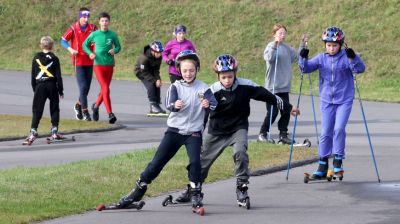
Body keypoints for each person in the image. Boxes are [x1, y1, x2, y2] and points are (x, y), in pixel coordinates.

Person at [174, 54, 299, 206]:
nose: (227, 80)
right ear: (218, 75)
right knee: (202, 163)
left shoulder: (245, 86)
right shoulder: (211, 91)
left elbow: (268, 96)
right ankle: (193, 189)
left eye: (230, 76)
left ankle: (242, 187)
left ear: (235, 74)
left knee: (240, 153)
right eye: (223, 77)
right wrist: (198, 137)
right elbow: (202, 115)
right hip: (216, 131)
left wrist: (289, 107)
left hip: (238, 128)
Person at [115, 50, 217, 211]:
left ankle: (196, 192)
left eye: (191, 70)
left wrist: (208, 104)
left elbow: (213, 102)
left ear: (197, 69)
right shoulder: (175, 87)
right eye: (185, 70)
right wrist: (174, 106)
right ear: (179, 71)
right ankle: (138, 189)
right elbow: (169, 103)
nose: (188, 73)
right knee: (157, 162)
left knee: (196, 162)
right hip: (175, 131)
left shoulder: (203, 88)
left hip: (193, 133)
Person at [298, 26, 365, 179]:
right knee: (326, 132)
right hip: (327, 100)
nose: (331, 48)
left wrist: (353, 57)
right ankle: (322, 164)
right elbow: (305, 69)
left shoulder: (345, 57)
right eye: (328, 45)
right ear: (325, 45)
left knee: (339, 129)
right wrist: (302, 55)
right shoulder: (321, 58)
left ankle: (338, 161)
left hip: (344, 99)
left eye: (334, 45)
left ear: (340, 45)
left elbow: (360, 68)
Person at [258, 24, 299, 144]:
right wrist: (275, 46)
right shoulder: (270, 46)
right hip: (272, 87)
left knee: (286, 111)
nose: (282, 35)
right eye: (280, 33)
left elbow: (296, 57)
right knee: (273, 112)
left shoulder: (287, 48)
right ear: (274, 34)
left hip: (284, 87)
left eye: (284, 33)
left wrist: (303, 45)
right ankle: (262, 134)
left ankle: (283, 135)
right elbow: (269, 58)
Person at [24, 36, 64, 145]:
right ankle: (54, 130)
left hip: (40, 86)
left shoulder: (36, 58)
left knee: (37, 109)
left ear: (41, 46)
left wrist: (35, 89)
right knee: (54, 108)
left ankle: (33, 131)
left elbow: (33, 76)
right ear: (52, 46)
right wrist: (60, 90)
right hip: (52, 85)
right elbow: (59, 77)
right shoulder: (55, 59)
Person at [83, 12, 121, 124]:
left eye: (106, 21)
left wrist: (114, 50)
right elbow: (85, 45)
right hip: (98, 65)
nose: (104, 23)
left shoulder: (112, 35)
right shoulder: (94, 34)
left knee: (104, 89)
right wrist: (90, 53)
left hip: (109, 65)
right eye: (102, 21)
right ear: (99, 22)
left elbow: (119, 46)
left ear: (109, 22)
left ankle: (95, 106)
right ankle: (110, 114)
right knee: (105, 88)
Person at [61, 7, 97, 121]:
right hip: (79, 61)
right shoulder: (73, 28)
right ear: (80, 16)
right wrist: (70, 50)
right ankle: (85, 112)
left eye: (88, 17)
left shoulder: (93, 28)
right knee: (83, 87)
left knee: (86, 89)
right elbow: (63, 40)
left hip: (90, 60)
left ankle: (78, 105)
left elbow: (99, 39)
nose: (86, 19)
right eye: (84, 17)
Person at [134, 40, 167, 114]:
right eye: (158, 52)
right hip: (141, 72)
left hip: (151, 70)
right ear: (153, 51)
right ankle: (153, 105)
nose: (160, 54)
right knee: (151, 85)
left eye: (161, 52)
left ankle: (157, 105)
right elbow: (144, 72)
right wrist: (154, 80)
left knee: (158, 84)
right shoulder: (144, 58)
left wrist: (158, 79)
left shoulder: (159, 57)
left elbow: (156, 69)